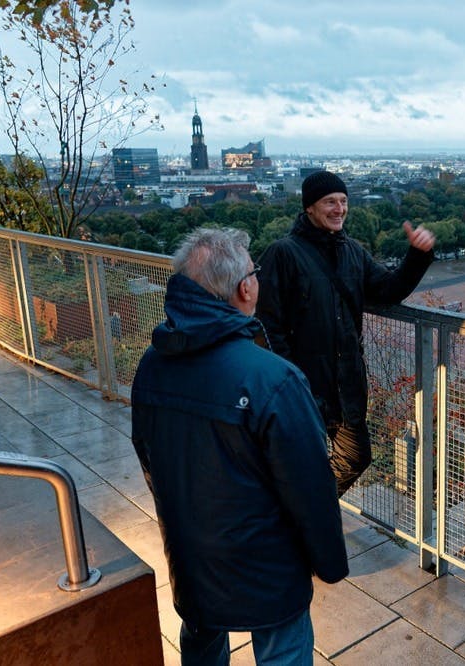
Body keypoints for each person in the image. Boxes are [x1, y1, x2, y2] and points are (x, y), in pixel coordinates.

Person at [131, 228, 348, 666]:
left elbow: (149, 457)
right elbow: (310, 487)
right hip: (267, 569)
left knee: (202, 643)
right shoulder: (273, 378)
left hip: (191, 557)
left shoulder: (152, 364)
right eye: (254, 272)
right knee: (283, 651)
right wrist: (330, 564)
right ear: (245, 288)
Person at [257, 170, 435, 496]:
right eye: (330, 202)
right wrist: (287, 379)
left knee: (355, 456)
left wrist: (417, 256)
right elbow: (266, 324)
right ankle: (301, 514)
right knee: (295, 462)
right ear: (310, 207)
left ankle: (306, 509)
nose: (339, 209)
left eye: (343, 201)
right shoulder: (282, 253)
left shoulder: (352, 251)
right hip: (301, 385)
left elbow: (388, 290)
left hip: (346, 384)